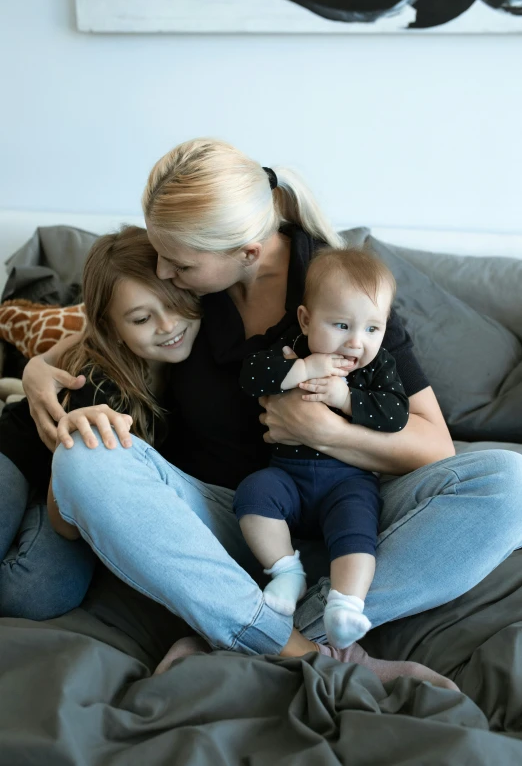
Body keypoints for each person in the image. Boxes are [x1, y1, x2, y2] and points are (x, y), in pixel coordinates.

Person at [22, 138, 522, 689]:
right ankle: (298, 647)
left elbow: (436, 446)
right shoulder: (189, 285)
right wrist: (38, 365)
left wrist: (326, 432)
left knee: (508, 481)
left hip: (351, 517)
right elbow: (109, 321)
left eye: (180, 261)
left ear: (248, 253)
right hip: (230, 523)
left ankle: (250, 633)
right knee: (86, 461)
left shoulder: (338, 288)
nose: (164, 268)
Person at [0, 225, 201, 617]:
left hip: (69, 496)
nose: (168, 325)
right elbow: (66, 525)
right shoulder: (99, 385)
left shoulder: (206, 345)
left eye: (176, 303)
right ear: (113, 329)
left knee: (36, 594)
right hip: (25, 451)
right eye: (142, 318)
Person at [234, 247, 408, 649]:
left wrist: (347, 400)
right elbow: (252, 376)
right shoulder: (294, 347)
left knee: (358, 528)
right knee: (253, 493)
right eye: (341, 324)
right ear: (306, 319)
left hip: (347, 482)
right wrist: (304, 369)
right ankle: (285, 572)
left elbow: (396, 415)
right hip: (287, 480)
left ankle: (345, 604)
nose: (355, 343)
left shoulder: (377, 368)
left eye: (372, 329)